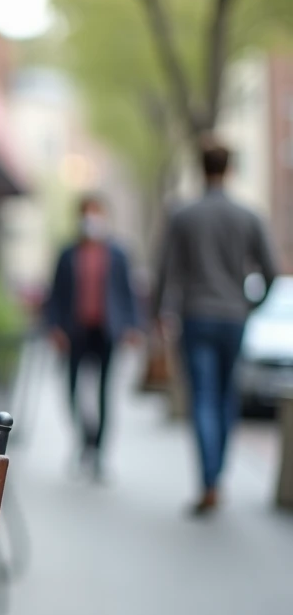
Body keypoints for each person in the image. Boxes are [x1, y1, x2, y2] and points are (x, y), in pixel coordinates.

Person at [153, 138, 279, 514]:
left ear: (200, 168)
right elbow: (271, 271)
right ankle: (217, 475)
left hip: (195, 317)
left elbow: (165, 271)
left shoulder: (183, 215)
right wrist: (249, 305)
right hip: (233, 318)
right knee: (225, 398)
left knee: (204, 399)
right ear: (230, 169)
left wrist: (159, 313)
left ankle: (209, 479)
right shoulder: (249, 216)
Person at [43, 193, 142, 479]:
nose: (91, 220)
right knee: (72, 390)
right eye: (87, 213)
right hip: (74, 332)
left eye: (96, 213)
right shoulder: (68, 253)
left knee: (104, 392)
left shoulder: (118, 253)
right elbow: (55, 294)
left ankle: (99, 451)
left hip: (106, 331)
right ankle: (83, 438)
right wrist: (54, 327)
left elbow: (128, 293)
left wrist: (132, 327)